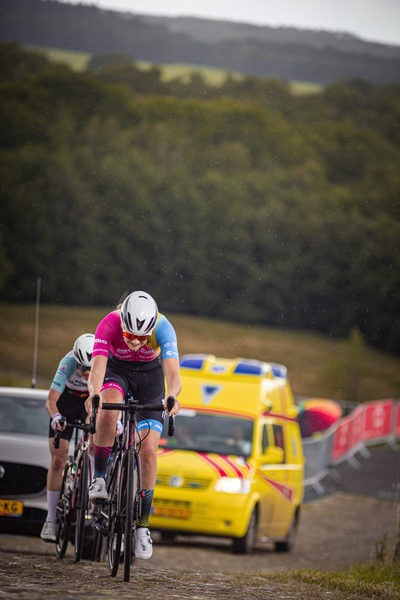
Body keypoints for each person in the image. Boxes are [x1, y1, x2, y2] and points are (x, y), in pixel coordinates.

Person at [85, 291, 182, 560]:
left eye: (142, 337)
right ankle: (100, 477)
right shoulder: (109, 323)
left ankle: (142, 527)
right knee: (107, 410)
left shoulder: (163, 327)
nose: (136, 342)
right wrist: (94, 394)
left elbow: (173, 374)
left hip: (150, 379)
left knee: (149, 452)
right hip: (118, 372)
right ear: (123, 322)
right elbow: (97, 370)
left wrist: (172, 397)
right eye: (130, 336)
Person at [40, 333, 95, 543]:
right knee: (59, 458)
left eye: (91, 368)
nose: (87, 373)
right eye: (83, 368)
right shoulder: (68, 362)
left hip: (88, 403)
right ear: (77, 362)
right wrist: (55, 417)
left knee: (94, 435)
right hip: (65, 404)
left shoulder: (101, 362)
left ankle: (89, 484)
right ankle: (51, 519)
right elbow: (51, 400)